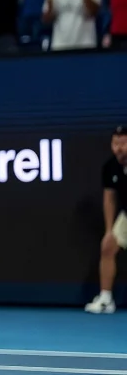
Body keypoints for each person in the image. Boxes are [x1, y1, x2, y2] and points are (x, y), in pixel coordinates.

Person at [87, 126, 127, 314]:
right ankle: (105, 299)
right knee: (108, 247)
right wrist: (109, 230)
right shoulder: (110, 167)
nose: (119, 148)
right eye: (115, 143)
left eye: (124, 143)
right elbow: (109, 199)